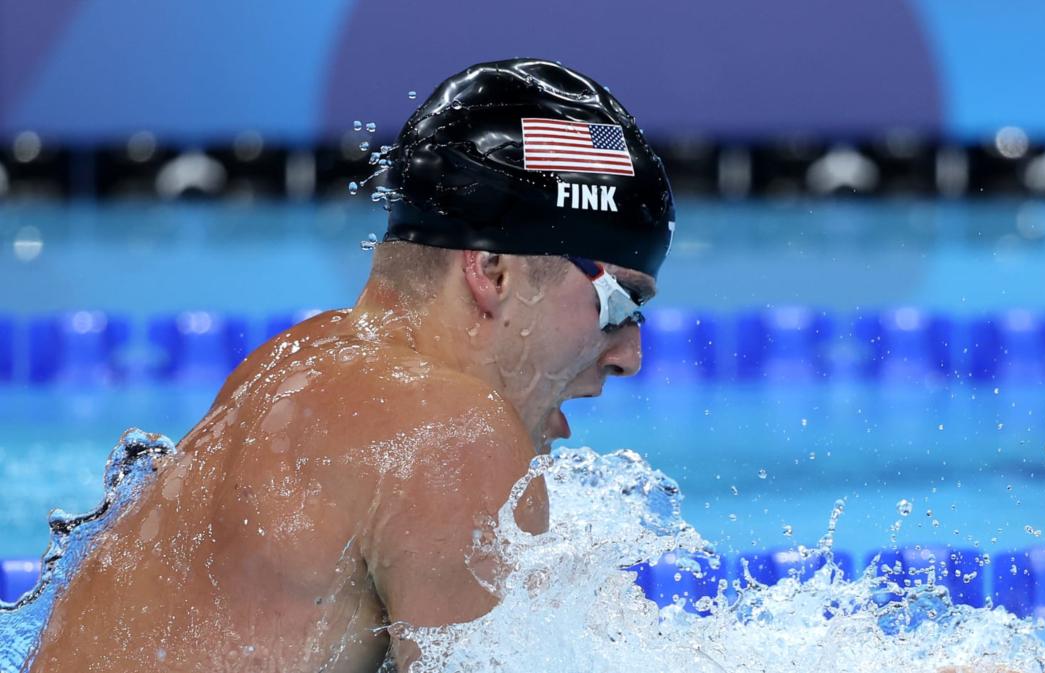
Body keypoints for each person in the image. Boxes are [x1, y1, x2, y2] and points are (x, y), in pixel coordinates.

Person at [27, 58, 675, 672]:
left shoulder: (289, 363)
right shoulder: (449, 431)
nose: (630, 356)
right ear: (493, 270)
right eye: (618, 304)